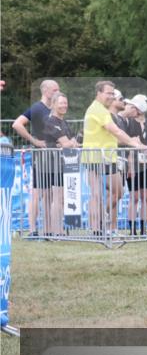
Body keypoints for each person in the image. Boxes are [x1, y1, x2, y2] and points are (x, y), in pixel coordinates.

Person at [81, 81, 145, 236]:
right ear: (99, 93)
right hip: (95, 158)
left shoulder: (103, 110)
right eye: (108, 93)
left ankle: (101, 218)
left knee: (118, 192)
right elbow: (115, 131)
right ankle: (96, 230)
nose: (111, 96)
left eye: (112, 93)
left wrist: (135, 143)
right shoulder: (98, 109)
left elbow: (114, 136)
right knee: (96, 195)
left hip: (108, 158)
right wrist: (134, 144)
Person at [11, 79, 59, 237]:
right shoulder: (38, 108)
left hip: (52, 156)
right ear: (45, 91)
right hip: (41, 157)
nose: (57, 93)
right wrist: (35, 141)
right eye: (54, 90)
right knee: (38, 192)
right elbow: (17, 124)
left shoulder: (53, 109)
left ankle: (48, 230)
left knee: (49, 194)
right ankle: (32, 230)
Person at [42, 92, 78, 235]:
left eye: (65, 103)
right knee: (57, 198)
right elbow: (68, 143)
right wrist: (67, 143)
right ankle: (56, 230)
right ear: (53, 104)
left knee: (61, 198)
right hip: (54, 164)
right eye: (61, 103)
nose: (64, 106)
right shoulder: (51, 121)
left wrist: (68, 143)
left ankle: (57, 229)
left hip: (64, 163)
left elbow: (73, 142)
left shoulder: (63, 122)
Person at [122, 94, 147, 235]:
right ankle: (132, 229)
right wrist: (130, 167)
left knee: (146, 197)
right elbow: (128, 145)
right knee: (134, 197)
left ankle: (144, 228)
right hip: (134, 164)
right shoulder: (129, 123)